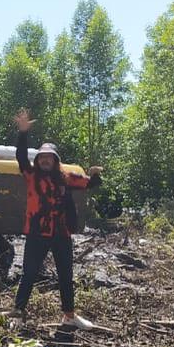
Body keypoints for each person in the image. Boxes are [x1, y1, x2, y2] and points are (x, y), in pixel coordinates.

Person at [12, 108, 103, 329]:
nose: (44, 161)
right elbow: (21, 157)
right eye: (41, 157)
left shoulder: (66, 177)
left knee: (65, 276)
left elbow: (89, 184)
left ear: (55, 161)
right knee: (29, 274)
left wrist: (95, 174)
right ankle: (17, 315)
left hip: (61, 234)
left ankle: (69, 316)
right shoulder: (31, 176)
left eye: (48, 158)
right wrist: (23, 133)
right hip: (36, 233)